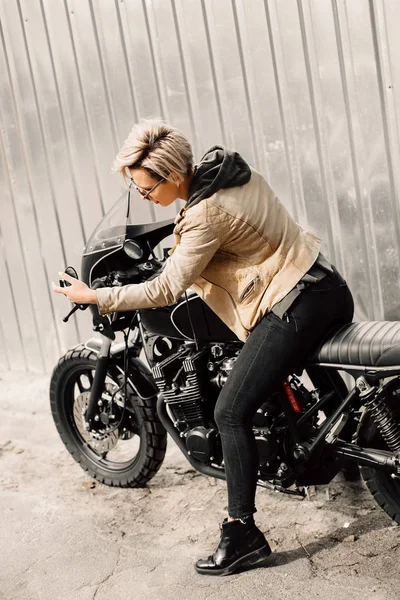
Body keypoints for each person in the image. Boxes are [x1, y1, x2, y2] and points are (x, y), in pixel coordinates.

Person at [53, 118, 354, 576]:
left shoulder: (203, 215)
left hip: (295, 305)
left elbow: (164, 291)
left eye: (144, 187)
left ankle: (242, 535)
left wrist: (95, 297)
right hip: (324, 284)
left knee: (229, 412)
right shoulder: (230, 170)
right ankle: (336, 451)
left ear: (172, 175)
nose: (143, 196)